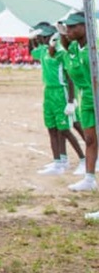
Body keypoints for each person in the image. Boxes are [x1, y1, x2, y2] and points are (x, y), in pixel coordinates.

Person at [55, 13, 99, 208]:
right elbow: (63, 46)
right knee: (90, 140)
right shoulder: (74, 47)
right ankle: (89, 178)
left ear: (85, 26)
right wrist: (62, 32)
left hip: (97, 95)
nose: (70, 31)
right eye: (68, 28)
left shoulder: (95, 45)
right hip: (86, 99)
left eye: (73, 27)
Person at [31, 23, 84, 175]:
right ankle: (59, 162)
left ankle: (82, 159)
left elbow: (70, 77)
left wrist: (71, 101)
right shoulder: (44, 50)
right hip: (48, 92)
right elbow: (33, 51)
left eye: (43, 36)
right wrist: (32, 38)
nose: (41, 38)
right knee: (52, 128)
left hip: (61, 92)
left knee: (65, 129)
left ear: (51, 36)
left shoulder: (61, 52)